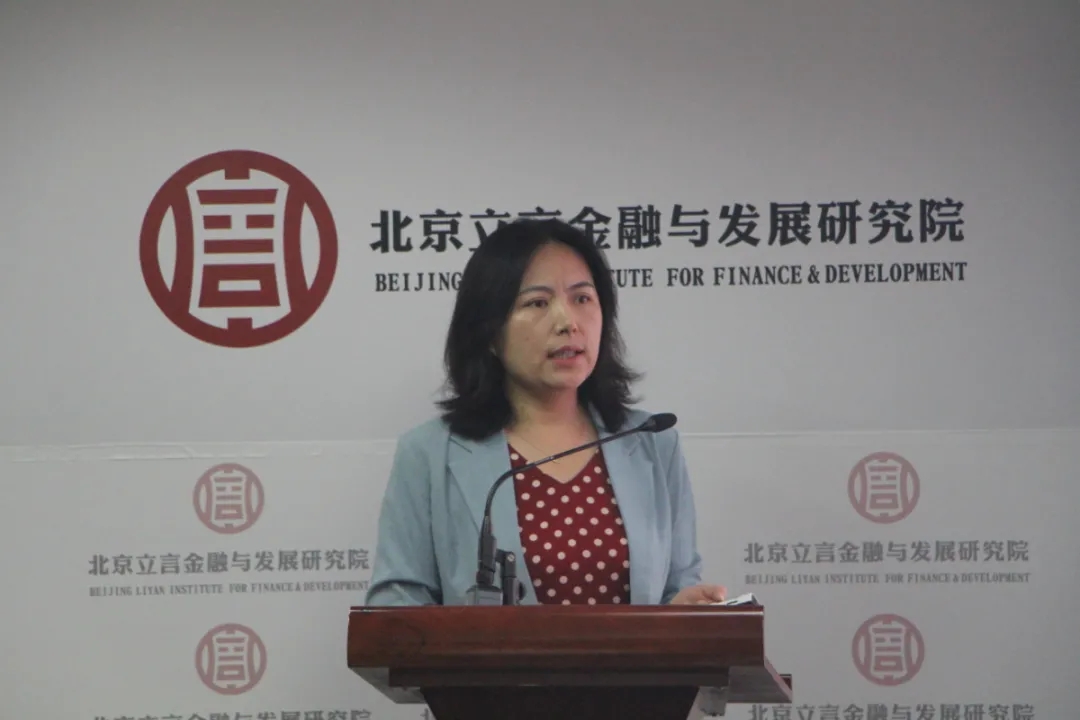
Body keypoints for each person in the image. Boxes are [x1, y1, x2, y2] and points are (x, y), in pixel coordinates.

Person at [364, 218, 725, 607]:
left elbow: (675, 587)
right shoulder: (429, 453)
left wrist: (687, 608)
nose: (568, 322)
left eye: (582, 298)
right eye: (537, 303)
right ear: (489, 332)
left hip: (635, 654)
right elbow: (395, 606)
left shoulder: (652, 442)